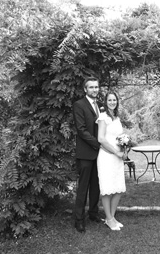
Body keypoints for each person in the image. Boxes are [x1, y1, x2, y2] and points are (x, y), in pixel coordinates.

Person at [72, 77, 103, 233]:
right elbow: (81, 130)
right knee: (83, 188)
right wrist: (99, 144)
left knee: (96, 186)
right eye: (91, 87)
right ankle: (79, 220)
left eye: (96, 87)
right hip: (85, 154)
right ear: (85, 89)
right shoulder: (79, 105)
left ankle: (93, 213)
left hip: (99, 154)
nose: (94, 90)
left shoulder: (100, 106)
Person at [96, 91, 126, 231]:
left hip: (118, 157)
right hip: (107, 156)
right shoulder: (103, 117)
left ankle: (112, 217)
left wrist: (125, 149)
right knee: (108, 190)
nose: (112, 102)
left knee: (118, 188)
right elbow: (101, 139)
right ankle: (108, 219)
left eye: (114, 100)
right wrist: (116, 152)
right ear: (105, 102)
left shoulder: (117, 117)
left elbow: (120, 138)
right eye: (110, 100)